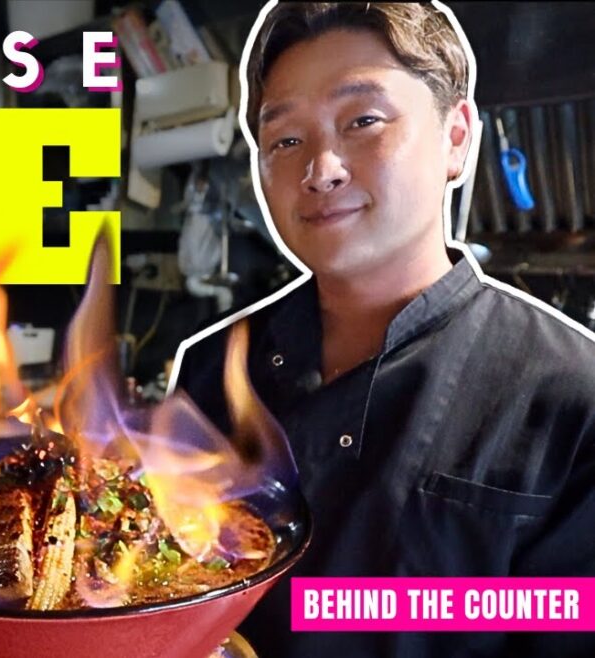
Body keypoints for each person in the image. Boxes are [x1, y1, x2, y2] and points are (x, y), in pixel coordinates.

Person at [171, 2, 595, 656]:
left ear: (456, 137)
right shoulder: (214, 371)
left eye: (363, 121)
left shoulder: (571, 403)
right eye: (285, 140)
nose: (320, 169)